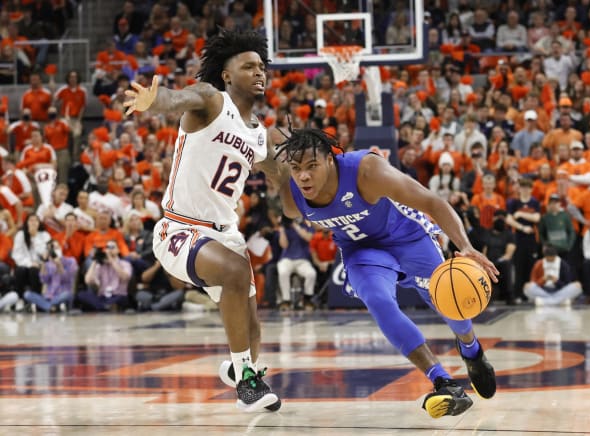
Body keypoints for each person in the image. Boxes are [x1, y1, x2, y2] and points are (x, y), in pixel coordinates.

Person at [272, 126, 499, 419]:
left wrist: (464, 245)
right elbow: (284, 190)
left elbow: (432, 202)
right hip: (360, 250)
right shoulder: (292, 196)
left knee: (447, 299)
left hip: (407, 237)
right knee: (378, 300)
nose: (303, 176)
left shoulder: (366, 170)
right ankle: (442, 381)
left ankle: (471, 349)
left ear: (331, 160)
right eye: (296, 168)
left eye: (312, 166)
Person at [123, 28, 280, 412]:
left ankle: (238, 368)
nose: (259, 72)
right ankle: (246, 381)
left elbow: (283, 181)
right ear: (227, 75)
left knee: (252, 327)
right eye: (248, 66)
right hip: (180, 228)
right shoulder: (212, 100)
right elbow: (177, 98)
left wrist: (305, 193)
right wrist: (154, 100)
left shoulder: (261, 136)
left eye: (262, 66)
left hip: (225, 234)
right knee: (235, 273)